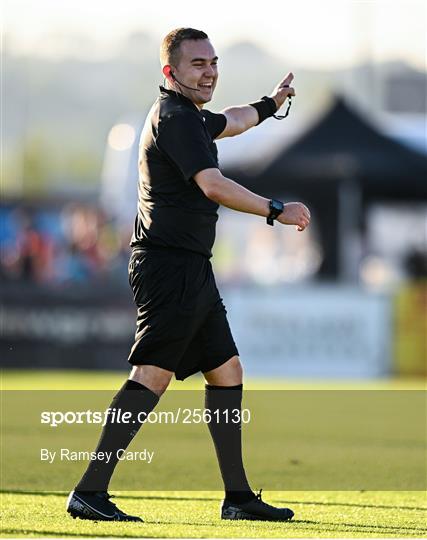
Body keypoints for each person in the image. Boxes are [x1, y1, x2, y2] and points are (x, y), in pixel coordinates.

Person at [66, 27, 310, 523]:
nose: (210, 71)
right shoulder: (175, 119)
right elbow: (213, 184)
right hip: (169, 266)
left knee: (227, 371)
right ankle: (89, 490)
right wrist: (275, 209)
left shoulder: (191, 118)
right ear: (170, 72)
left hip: (189, 266)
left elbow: (235, 120)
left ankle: (237, 498)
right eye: (198, 64)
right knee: (151, 376)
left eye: (214, 62)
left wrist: (270, 103)